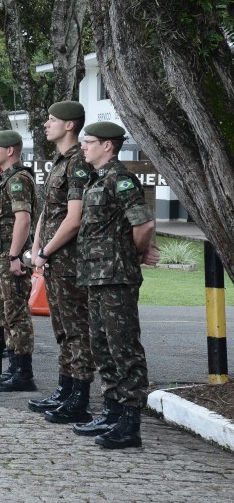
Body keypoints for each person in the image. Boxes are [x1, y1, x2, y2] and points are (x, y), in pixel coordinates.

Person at [73, 121, 158, 449]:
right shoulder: (98, 179)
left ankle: (130, 423)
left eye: (89, 141)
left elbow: (144, 223)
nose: (84, 146)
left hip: (116, 277)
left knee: (123, 347)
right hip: (97, 276)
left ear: (107, 145)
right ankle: (111, 412)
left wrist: (134, 253)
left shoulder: (119, 179)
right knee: (103, 346)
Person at [29, 101, 96, 423]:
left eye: (52, 119)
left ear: (70, 125)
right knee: (62, 329)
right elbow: (48, 210)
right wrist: (38, 243)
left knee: (76, 330)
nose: (46, 124)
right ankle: (64, 390)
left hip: (70, 259)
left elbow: (74, 218)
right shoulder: (59, 162)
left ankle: (79, 399)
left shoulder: (78, 162)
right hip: (55, 256)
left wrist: (45, 251)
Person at [0, 130, 38, 392]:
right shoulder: (5, 179)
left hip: (10, 257)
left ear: (9, 151)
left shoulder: (18, 179)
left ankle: (23, 374)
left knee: (16, 314)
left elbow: (23, 218)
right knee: (4, 314)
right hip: (1, 257)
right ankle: (14, 367)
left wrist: (15, 255)